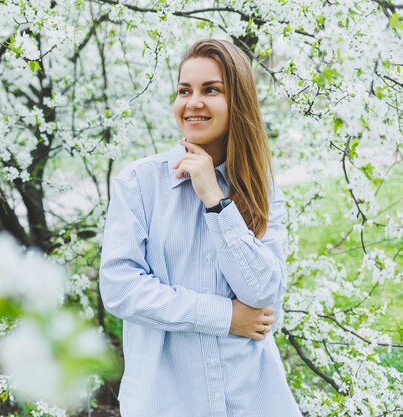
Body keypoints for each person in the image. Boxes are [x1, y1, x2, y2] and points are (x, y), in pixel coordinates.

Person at [99, 39, 302, 417]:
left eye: (211, 90)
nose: (193, 102)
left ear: (237, 101)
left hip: (253, 398)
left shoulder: (262, 188)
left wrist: (216, 200)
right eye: (184, 90)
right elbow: (120, 288)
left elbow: (264, 295)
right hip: (169, 402)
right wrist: (224, 317)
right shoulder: (140, 184)